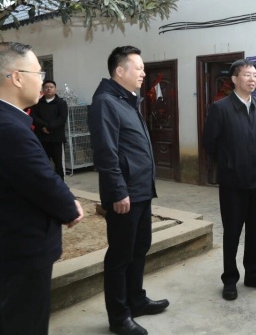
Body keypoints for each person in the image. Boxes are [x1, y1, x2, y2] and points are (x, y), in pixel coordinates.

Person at [0, 41, 83, 335]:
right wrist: (70, 207)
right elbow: (42, 181)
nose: (43, 81)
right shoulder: (7, 127)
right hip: (19, 254)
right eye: (39, 72)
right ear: (17, 77)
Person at [88, 46, 168, 335]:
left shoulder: (127, 100)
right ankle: (119, 317)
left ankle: (136, 300)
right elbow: (106, 153)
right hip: (125, 194)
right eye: (139, 68)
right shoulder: (106, 102)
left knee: (139, 247)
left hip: (140, 190)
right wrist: (118, 191)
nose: (143, 73)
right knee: (120, 255)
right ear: (120, 71)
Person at [202, 59, 256, 301]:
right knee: (232, 231)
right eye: (247, 75)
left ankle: (254, 274)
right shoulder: (220, 108)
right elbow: (209, 142)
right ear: (234, 79)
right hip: (232, 183)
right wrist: (229, 162)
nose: (253, 79)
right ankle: (230, 278)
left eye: (255, 75)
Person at [30, 79, 69, 179]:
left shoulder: (61, 103)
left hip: (56, 138)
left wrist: (49, 127)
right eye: (46, 87)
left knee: (58, 163)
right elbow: (33, 116)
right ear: (43, 89)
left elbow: (62, 118)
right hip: (41, 137)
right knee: (43, 162)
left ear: (55, 89)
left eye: (51, 87)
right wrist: (44, 126)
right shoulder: (37, 102)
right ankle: (45, 183)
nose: (49, 89)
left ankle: (60, 183)